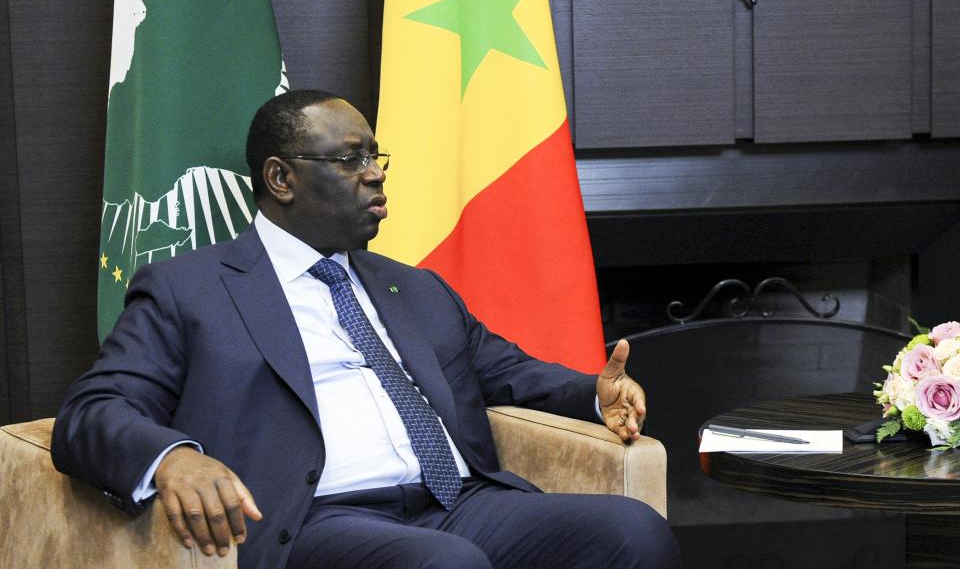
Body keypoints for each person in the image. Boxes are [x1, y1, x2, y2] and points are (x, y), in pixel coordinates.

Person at [52, 90, 680, 569]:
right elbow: (93, 409)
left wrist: (593, 394)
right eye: (349, 159)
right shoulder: (189, 288)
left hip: (460, 502)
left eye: (374, 157)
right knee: (447, 566)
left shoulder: (415, 286)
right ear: (281, 179)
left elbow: (506, 372)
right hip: (316, 518)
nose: (376, 174)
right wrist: (173, 460)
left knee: (633, 531)